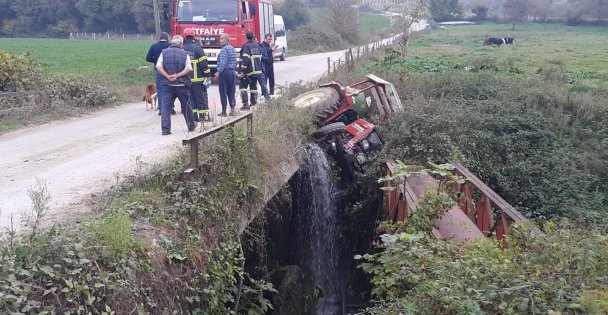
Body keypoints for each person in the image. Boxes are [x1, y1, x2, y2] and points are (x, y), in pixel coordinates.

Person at [156, 35, 196, 135]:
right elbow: (188, 68)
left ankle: (165, 129)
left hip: (167, 84)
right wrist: (177, 76)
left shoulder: (163, 52)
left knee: (165, 107)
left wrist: (168, 76)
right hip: (181, 84)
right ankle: (191, 126)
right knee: (186, 106)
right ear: (181, 44)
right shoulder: (184, 53)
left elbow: (158, 67)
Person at [182, 28, 211, 122]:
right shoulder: (198, 49)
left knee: (191, 100)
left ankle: (194, 117)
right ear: (193, 36)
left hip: (186, 80)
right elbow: (204, 65)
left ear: (184, 36)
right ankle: (204, 117)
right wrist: (208, 75)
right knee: (201, 99)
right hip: (198, 80)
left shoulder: (181, 49)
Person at [146, 32, 175, 115]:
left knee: (160, 90)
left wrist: (156, 61)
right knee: (171, 89)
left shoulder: (153, 46)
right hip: (170, 71)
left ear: (160, 38)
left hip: (158, 71)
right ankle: (171, 108)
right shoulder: (170, 46)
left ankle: (162, 110)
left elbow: (148, 58)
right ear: (167, 38)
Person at [238, 31, 269, 110]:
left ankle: (245, 105)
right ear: (253, 37)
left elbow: (245, 59)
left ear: (246, 37)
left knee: (243, 87)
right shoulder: (257, 46)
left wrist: (242, 70)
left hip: (248, 71)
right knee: (253, 88)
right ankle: (253, 103)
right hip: (257, 71)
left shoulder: (246, 46)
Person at [214, 34, 237, 116]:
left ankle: (224, 111)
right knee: (231, 91)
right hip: (232, 72)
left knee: (223, 92)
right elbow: (235, 61)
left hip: (225, 72)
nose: (220, 40)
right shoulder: (233, 49)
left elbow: (223, 62)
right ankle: (233, 109)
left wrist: (218, 72)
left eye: (222, 39)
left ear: (227, 40)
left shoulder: (224, 50)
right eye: (220, 38)